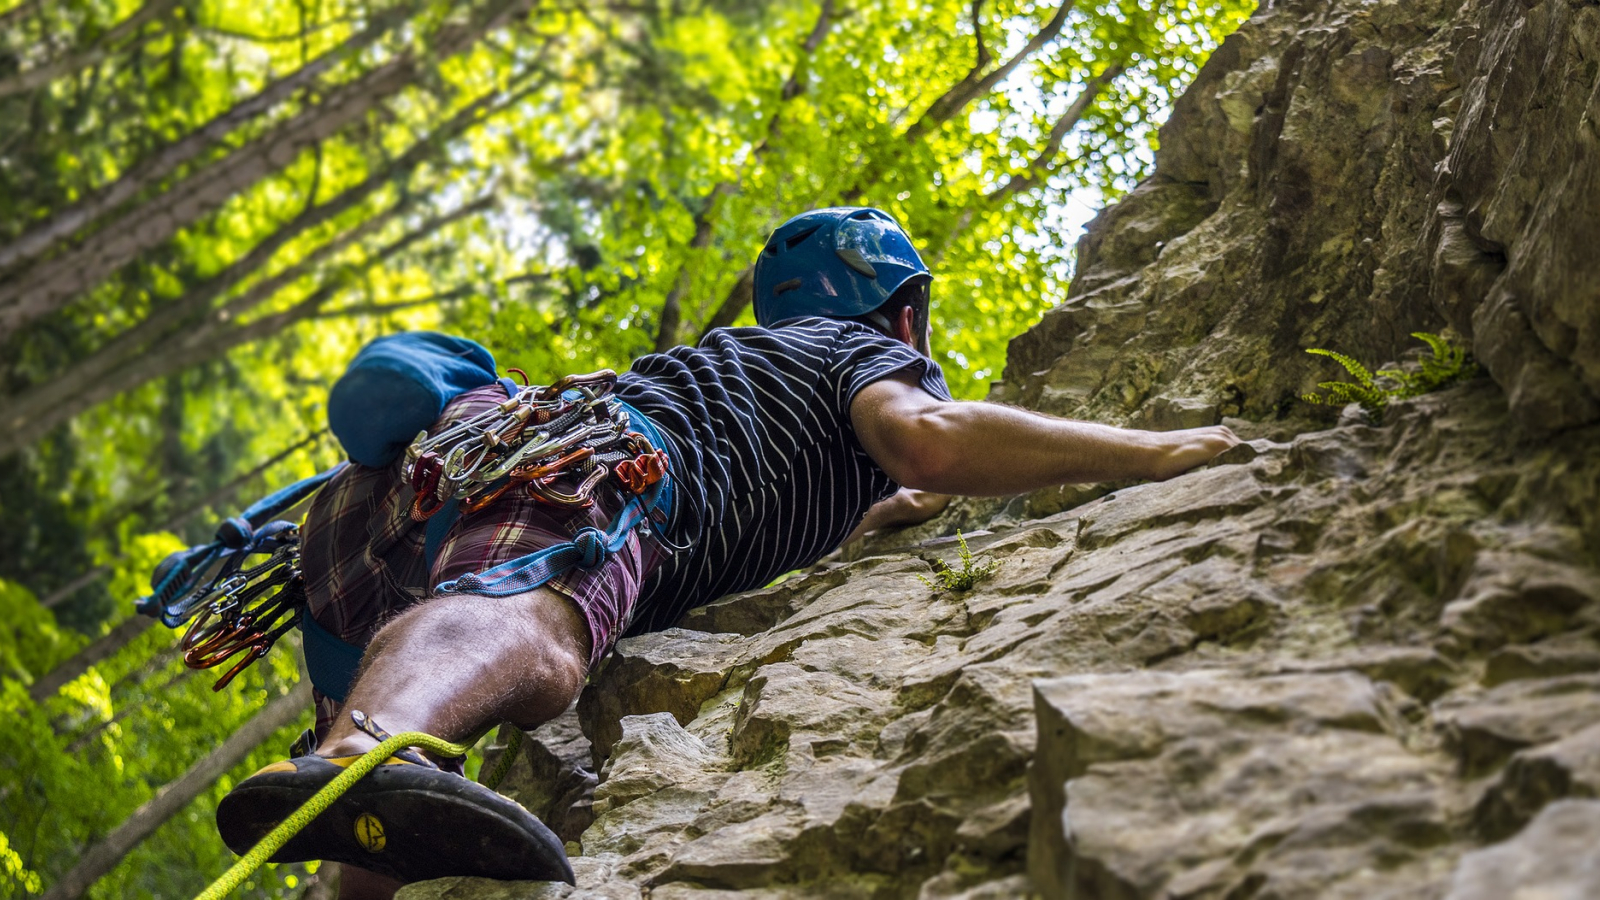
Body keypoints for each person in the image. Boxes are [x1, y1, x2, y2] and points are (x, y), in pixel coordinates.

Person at [216, 206, 1238, 898]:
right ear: (905, 313)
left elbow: (865, 497)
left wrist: (889, 511)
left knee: (393, 789)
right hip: (593, 465)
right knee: (538, 628)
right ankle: (359, 752)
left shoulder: (759, 385)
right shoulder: (860, 354)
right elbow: (928, 438)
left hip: (373, 525)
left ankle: (353, 804)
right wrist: (1156, 451)